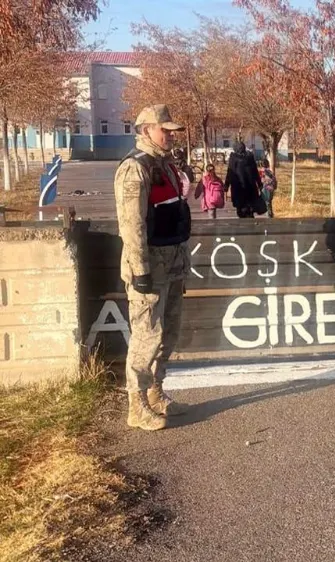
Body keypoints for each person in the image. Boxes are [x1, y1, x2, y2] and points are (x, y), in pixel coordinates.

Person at [113, 104, 191, 431]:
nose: (171, 135)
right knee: (147, 335)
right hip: (149, 269)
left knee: (169, 333)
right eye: (165, 130)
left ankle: (157, 391)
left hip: (173, 265)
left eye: (173, 130)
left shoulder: (166, 165)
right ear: (146, 129)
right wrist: (140, 271)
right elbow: (132, 225)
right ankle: (137, 403)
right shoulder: (135, 168)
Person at [225, 141, 263, 218]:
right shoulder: (250, 157)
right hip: (251, 189)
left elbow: (230, 172)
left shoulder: (233, 158)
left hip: (238, 189)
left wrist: (226, 185)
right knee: (250, 211)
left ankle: (243, 227)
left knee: (241, 211)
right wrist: (259, 184)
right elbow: (255, 172)